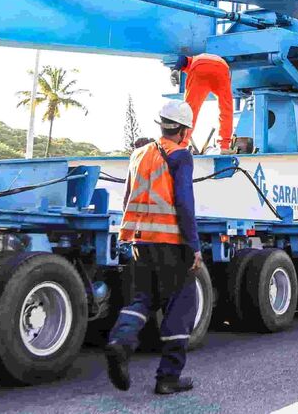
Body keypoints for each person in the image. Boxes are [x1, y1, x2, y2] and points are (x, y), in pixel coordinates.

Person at [105, 100, 202, 395]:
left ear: (162, 125)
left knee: (141, 299)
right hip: (170, 242)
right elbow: (184, 203)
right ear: (184, 130)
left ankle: (120, 342)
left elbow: (127, 198)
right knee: (182, 304)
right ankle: (167, 377)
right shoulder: (180, 156)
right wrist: (194, 245)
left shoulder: (138, 154)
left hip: (139, 241)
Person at [173, 53, 234, 153]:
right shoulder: (211, 58)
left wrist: (175, 70)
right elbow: (183, 58)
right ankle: (224, 147)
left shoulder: (192, 60)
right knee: (226, 108)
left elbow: (182, 58)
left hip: (199, 67)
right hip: (222, 68)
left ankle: (181, 145)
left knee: (190, 110)